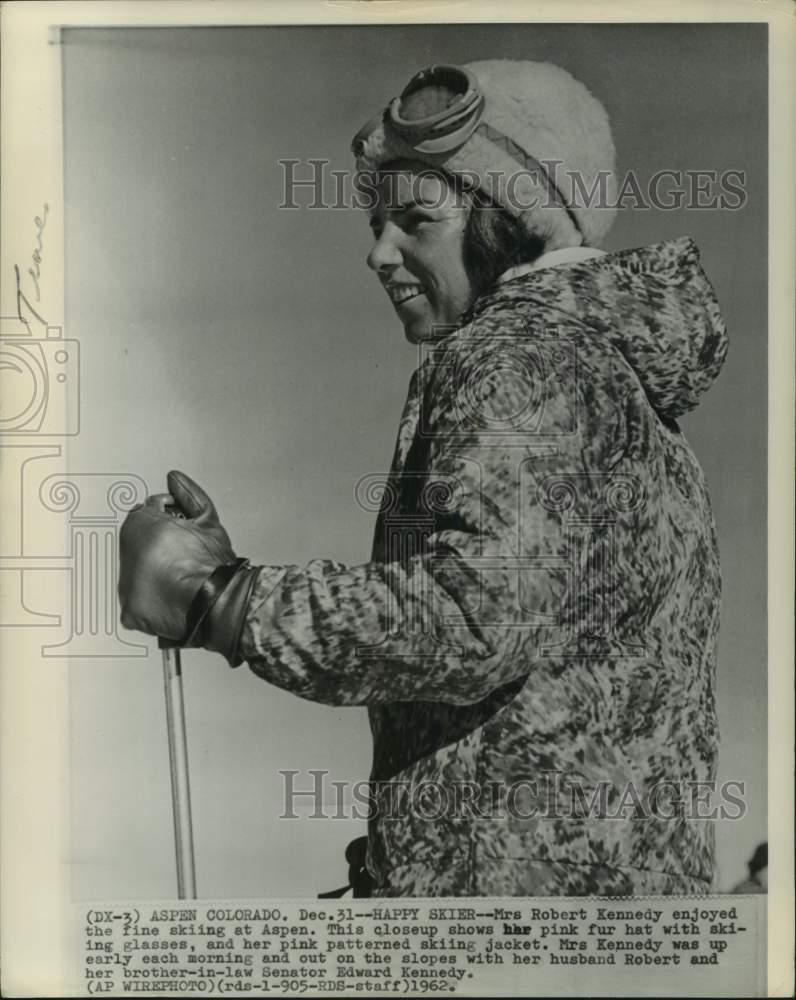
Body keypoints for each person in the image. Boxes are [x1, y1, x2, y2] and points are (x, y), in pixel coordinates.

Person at [118, 60, 728, 897]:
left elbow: (480, 619)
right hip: (609, 929)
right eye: (376, 222)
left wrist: (217, 599)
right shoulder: (629, 391)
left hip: (512, 947)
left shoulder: (515, 354)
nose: (379, 252)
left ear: (511, 217)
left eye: (414, 219)